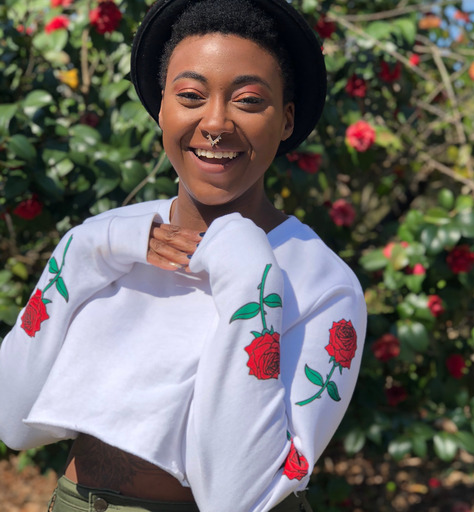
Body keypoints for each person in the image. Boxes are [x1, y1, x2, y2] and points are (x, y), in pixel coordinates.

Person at [0, 0, 367, 510]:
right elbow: (11, 419)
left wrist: (252, 276)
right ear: (161, 110)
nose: (215, 122)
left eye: (248, 100)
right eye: (191, 95)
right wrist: (84, 252)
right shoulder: (110, 242)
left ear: (285, 121)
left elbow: (237, 498)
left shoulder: (323, 281)